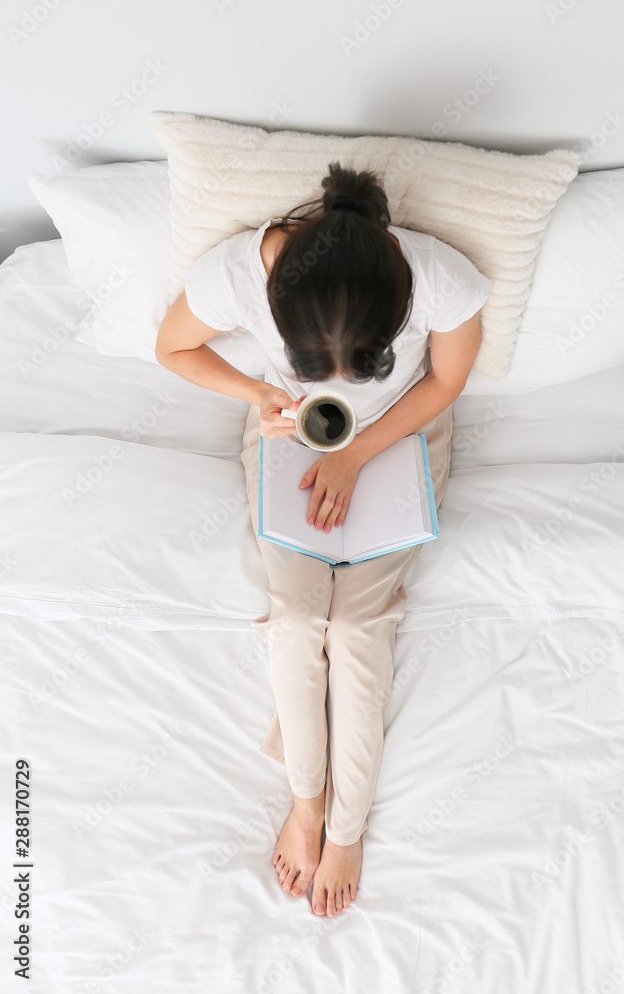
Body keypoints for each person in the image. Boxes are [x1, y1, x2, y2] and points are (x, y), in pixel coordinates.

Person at [155, 160, 491, 919]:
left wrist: (356, 451)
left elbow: (442, 382)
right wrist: (262, 394)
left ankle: (347, 825)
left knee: (356, 626)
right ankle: (306, 802)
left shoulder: (440, 279)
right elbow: (172, 348)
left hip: (400, 435)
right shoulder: (243, 272)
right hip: (290, 435)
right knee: (300, 620)